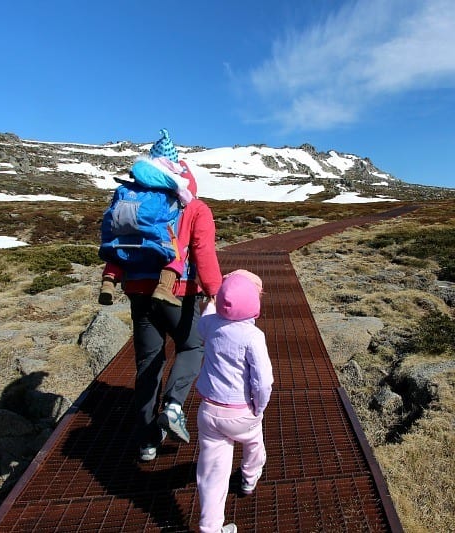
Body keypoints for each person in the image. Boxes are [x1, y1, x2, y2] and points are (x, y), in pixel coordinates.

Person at [100, 129, 223, 462]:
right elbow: (203, 253)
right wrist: (215, 293)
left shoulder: (129, 197)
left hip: (136, 289)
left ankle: (146, 441)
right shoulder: (195, 208)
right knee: (192, 345)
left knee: (148, 363)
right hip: (176, 293)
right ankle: (172, 405)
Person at [194, 270, 273, 533]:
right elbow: (263, 381)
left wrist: (212, 301)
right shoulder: (253, 336)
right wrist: (259, 407)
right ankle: (249, 480)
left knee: (212, 472)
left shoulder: (210, 325)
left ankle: (210, 527)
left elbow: (203, 319)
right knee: (254, 444)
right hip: (242, 412)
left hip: (209, 411)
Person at [98, 129, 198, 308]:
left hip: (124, 231)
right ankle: (164, 288)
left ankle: (108, 283)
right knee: (176, 252)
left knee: (117, 251)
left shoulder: (138, 175)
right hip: (151, 232)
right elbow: (187, 197)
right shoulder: (168, 181)